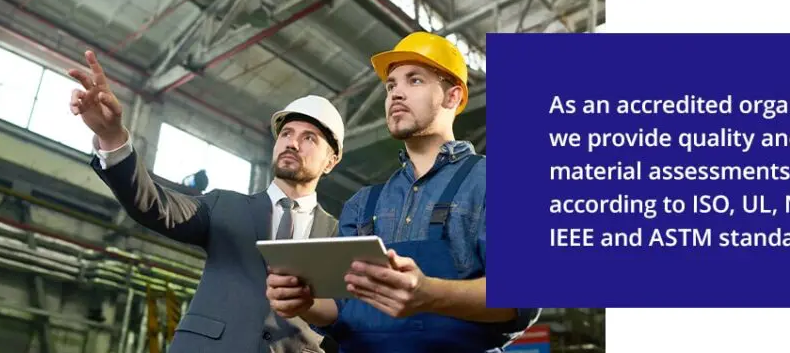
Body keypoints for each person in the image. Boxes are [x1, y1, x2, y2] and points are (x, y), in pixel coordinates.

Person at [265, 32, 540, 352]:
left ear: (452, 97)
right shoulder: (362, 204)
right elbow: (340, 311)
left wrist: (429, 294)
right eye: (391, 85)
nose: (396, 93)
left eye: (415, 80)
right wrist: (303, 302)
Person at [67, 50, 346, 353]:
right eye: (287, 133)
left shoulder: (341, 234)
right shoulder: (223, 206)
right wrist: (112, 138)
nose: (292, 142)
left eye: (309, 138)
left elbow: (350, 318)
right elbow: (153, 205)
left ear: (331, 161)